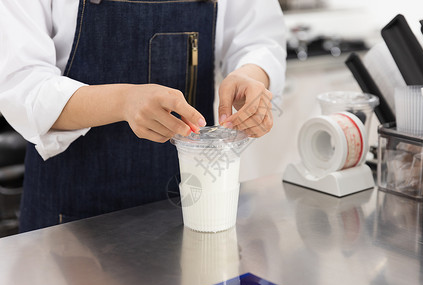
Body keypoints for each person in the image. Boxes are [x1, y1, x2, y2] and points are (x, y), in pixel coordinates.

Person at [0, 0, 286, 232]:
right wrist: (123, 101)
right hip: (70, 223)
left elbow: (258, 39)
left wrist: (251, 75)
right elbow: (22, 84)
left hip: (189, 208)